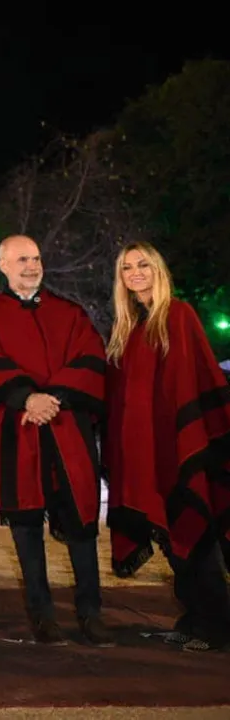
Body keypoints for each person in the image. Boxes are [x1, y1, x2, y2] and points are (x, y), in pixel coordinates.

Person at [0, 235, 113, 646]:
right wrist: (26, 398)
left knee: (82, 526)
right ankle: (42, 616)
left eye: (35, 258)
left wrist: (54, 398)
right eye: (21, 260)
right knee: (26, 527)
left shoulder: (70, 313)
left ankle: (90, 612)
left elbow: (90, 359)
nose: (31, 266)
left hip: (68, 429)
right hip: (18, 431)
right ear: (3, 265)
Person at [104, 242, 230, 652]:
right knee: (171, 541)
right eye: (127, 268)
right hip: (144, 455)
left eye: (143, 265)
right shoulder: (129, 327)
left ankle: (216, 627)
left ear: (158, 269)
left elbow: (193, 379)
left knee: (195, 533)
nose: (136, 272)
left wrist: (188, 441)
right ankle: (193, 618)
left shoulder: (178, 315)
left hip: (180, 447)